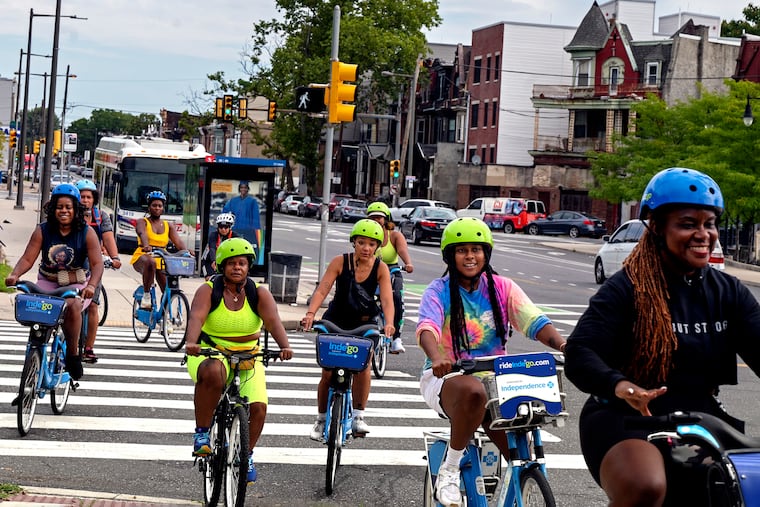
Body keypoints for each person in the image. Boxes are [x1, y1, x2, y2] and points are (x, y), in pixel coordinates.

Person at [564, 167, 760, 507]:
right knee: (647, 487)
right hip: (624, 418)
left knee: (743, 487)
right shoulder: (627, 287)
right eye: (687, 224)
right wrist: (622, 386)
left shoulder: (728, 292)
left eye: (709, 223)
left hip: (701, 419)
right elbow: (581, 352)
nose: (703, 234)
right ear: (656, 228)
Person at [416, 217, 566, 507]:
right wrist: (437, 356)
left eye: (476, 249)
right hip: (447, 378)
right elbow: (426, 329)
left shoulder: (502, 287)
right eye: (462, 250)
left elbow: (535, 322)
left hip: (496, 380)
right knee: (474, 392)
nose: (470, 256)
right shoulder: (438, 291)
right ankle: (450, 470)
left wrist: (564, 345)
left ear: (487, 253)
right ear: (450, 255)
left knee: (520, 449)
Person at [184, 237, 293, 484]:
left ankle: (247, 454)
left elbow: (273, 321)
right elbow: (196, 318)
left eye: (242, 263)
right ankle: (202, 434)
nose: (237, 267)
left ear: (248, 266)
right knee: (213, 373)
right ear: (222, 266)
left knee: (258, 407)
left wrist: (284, 346)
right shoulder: (208, 290)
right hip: (211, 351)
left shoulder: (259, 293)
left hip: (249, 356)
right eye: (231, 263)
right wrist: (191, 343)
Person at [302, 219, 396, 439]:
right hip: (335, 319)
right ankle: (321, 419)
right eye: (361, 242)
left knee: (364, 366)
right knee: (327, 371)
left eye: (372, 244)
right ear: (353, 242)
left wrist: (389, 323)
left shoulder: (381, 268)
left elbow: (387, 299)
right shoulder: (340, 261)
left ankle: (358, 416)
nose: (366, 248)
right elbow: (323, 289)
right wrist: (310, 314)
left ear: (377, 246)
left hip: (364, 322)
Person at [5, 183, 104, 381]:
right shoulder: (42, 230)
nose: (64, 211)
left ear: (76, 210)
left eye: (68, 207)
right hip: (47, 281)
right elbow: (27, 258)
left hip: (75, 283)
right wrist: (15, 275)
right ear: (53, 209)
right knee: (36, 311)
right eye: (60, 207)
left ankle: (72, 355)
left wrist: (92, 285)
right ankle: (33, 363)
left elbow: (97, 264)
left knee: (72, 305)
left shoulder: (87, 233)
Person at [76, 179, 122, 363]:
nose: (85, 200)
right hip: (73, 264)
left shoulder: (101, 216)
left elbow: (108, 238)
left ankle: (88, 347)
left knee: (93, 305)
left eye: (89, 197)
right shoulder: (71, 214)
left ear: (94, 199)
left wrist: (115, 257)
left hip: (95, 264)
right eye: (82, 196)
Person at [130, 190, 192, 309]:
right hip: (143, 256)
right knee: (151, 262)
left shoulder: (168, 225)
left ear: (163, 208)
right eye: (154, 205)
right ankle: (146, 295)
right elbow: (141, 232)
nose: (157, 208)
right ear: (149, 207)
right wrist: (146, 245)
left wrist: (186, 251)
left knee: (167, 289)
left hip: (161, 257)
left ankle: (165, 317)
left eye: (160, 206)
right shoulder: (142, 221)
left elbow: (178, 242)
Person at [366, 201, 413, 354]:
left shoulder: (394, 235)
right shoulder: (366, 235)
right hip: (371, 270)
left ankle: (396, 338)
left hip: (392, 270)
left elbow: (402, 250)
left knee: (397, 299)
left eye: (379, 217)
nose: (376, 221)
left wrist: (408, 263)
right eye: (373, 217)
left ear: (386, 219)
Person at [222, 181, 261, 263]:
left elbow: (256, 218)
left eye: (245, 187)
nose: (243, 189)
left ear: (248, 189)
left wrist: (255, 230)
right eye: (241, 187)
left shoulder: (252, 202)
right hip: (236, 229)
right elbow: (225, 211)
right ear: (239, 189)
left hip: (248, 230)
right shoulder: (233, 201)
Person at [201, 212, 237, 279]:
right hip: (209, 260)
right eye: (221, 227)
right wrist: (214, 261)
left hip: (224, 260)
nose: (223, 229)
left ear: (230, 227)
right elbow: (212, 248)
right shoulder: (213, 235)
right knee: (211, 280)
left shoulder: (235, 236)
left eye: (226, 227)